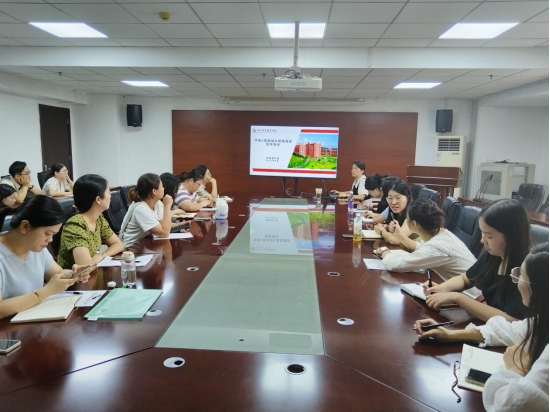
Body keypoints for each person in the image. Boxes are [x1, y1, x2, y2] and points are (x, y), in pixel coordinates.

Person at [413, 243, 549, 411]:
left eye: (521, 275)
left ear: (538, 289)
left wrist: (515, 370)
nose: (517, 279)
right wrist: (451, 334)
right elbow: (510, 330)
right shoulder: (543, 319)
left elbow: (507, 406)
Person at [422, 199, 530, 322]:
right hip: (488, 326)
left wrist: (458, 298)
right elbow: (465, 279)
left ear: (511, 235)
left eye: (489, 236)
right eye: (482, 234)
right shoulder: (494, 255)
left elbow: (510, 319)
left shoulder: (527, 270)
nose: (482, 240)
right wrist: (442, 289)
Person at [0, 195, 93, 320]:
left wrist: (74, 274)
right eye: (47, 233)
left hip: (34, 321)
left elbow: (58, 273)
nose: (50, 240)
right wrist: (46, 291)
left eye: (53, 234)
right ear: (25, 226)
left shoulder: (35, 248)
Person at [375, 199, 480, 297]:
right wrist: (400, 236)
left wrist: (385, 252)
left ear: (414, 224)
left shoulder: (437, 246)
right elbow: (421, 247)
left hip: (470, 297)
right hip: (456, 289)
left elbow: (395, 265)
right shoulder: (442, 233)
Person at [56, 174, 123, 269]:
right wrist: (94, 260)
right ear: (98, 199)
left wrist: (102, 256)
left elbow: (118, 245)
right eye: (108, 192)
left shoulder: (98, 218)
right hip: (74, 281)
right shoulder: (76, 225)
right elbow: (84, 268)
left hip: (93, 274)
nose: (110, 196)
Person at [119, 173, 174, 248]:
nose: (163, 188)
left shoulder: (156, 203)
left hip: (146, 243)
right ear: (154, 191)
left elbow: (162, 225)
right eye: (162, 186)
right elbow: (164, 233)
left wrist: (182, 225)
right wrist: (167, 206)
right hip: (131, 249)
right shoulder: (140, 209)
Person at [373, 179, 417, 245]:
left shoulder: (412, 214)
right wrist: (387, 227)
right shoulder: (394, 212)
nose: (393, 202)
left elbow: (396, 240)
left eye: (398, 198)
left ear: (408, 197)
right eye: (390, 198)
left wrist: (382, 231)